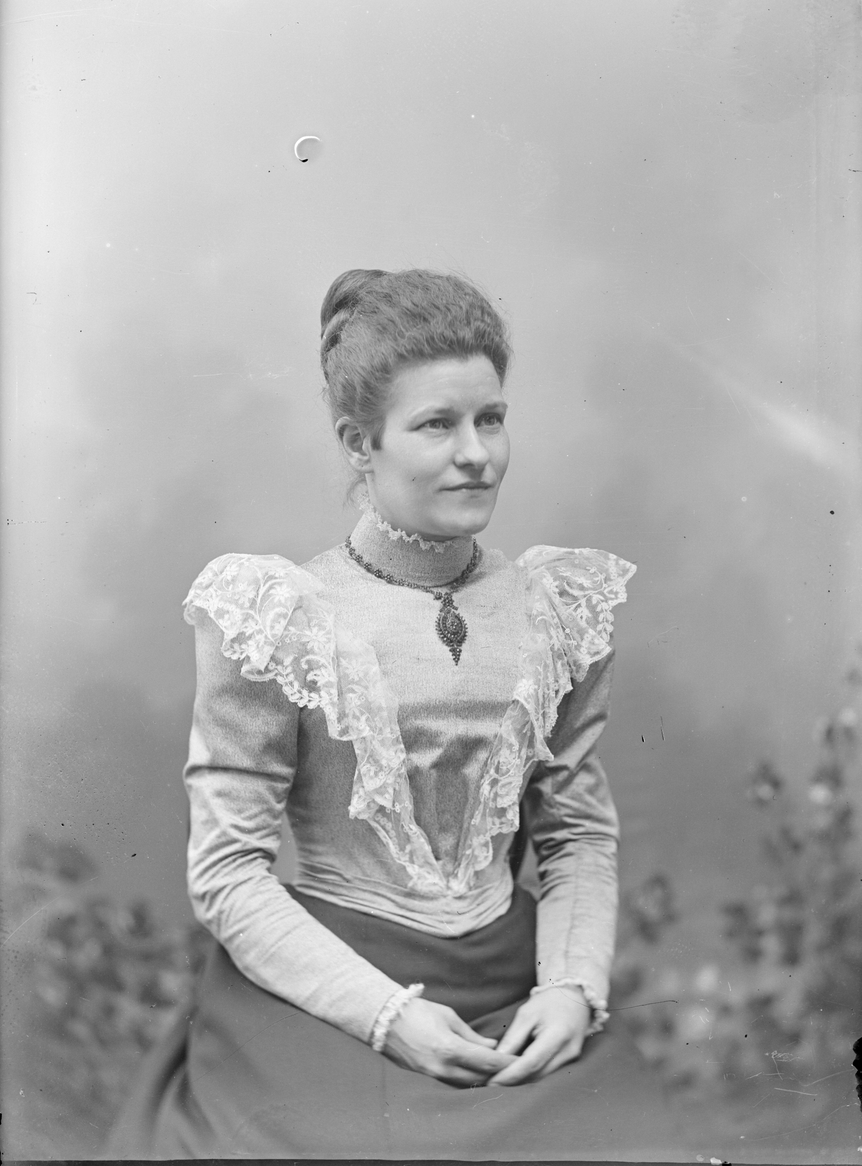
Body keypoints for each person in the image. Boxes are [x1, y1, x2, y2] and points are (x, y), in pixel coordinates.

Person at [107, 268, 677, 1159]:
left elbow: (575, 835)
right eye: (437, 425)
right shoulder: (279, 615)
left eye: (491, 418)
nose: (476, 453)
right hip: (331, 992)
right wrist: (388, 1017)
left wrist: (570, 988)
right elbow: (226, 872)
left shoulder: (554, 609)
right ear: (358, 442)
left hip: (514, 988)